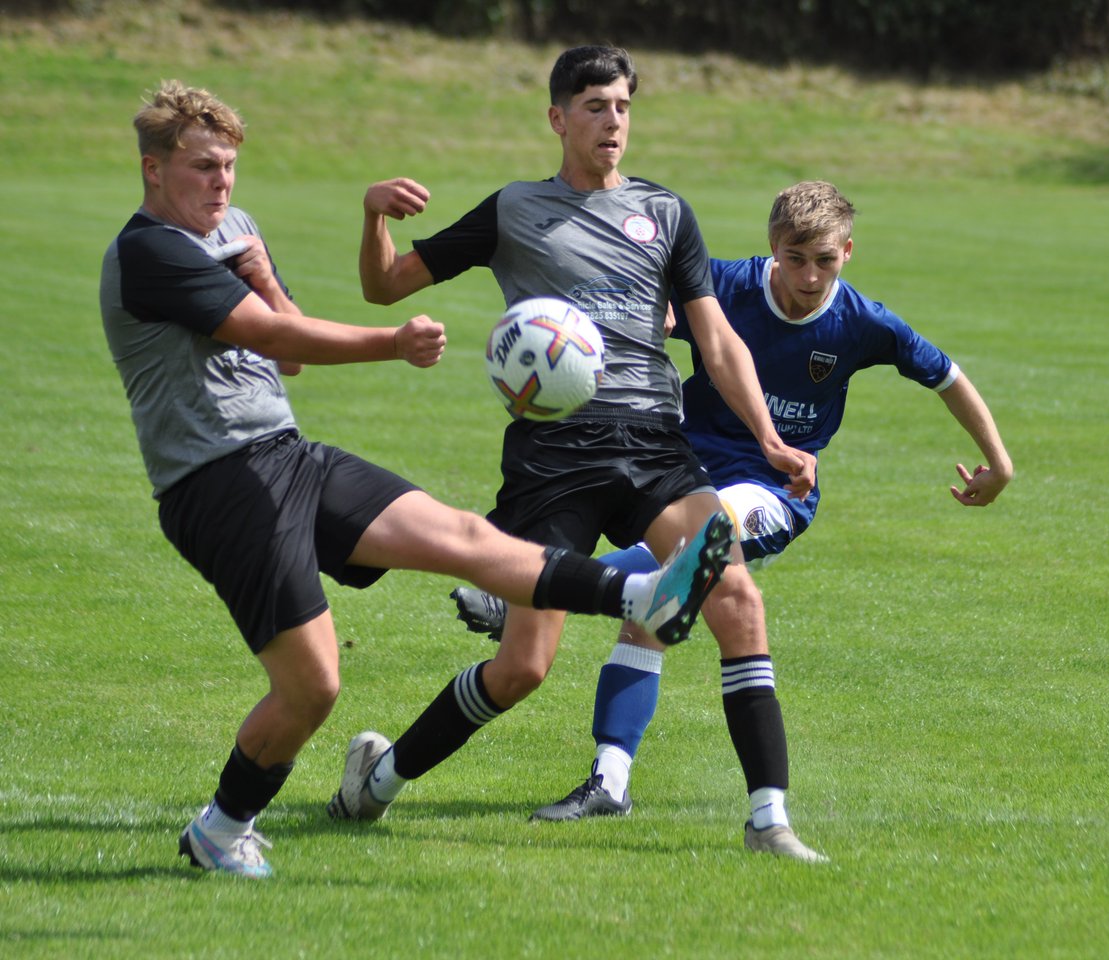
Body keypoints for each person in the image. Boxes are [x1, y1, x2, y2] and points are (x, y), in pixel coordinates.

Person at [99, 79, 733, 879]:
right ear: (155, 171)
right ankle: (221, 828)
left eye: (228, 167)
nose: (221, 183)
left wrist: (258, 262)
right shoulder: (148, 251)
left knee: (468, 535)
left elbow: (282, 356)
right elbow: (271, 332)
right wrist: (391, 341)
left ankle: (642, 597)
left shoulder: (234, 228)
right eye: (201, 168)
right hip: (215, 486)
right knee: (313, 688)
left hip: (289, 454)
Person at [336, 45, 827, 861]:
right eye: (596, 106)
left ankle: (768, 819)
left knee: (734, 596)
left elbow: (714, 336)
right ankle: (377, 780)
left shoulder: (666, 213)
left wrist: (769, 439)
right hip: (552, 456)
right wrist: (373, 217)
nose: (613, 122)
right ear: (559, 117)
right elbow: (385, 287)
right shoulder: (514, 210)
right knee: (524, 666)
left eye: (624, 107)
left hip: (651, 445)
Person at [453, 179, 1014, 826]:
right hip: (681, 468)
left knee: (689, 554)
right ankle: (609, 781)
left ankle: (516, 588)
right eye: (794, 258)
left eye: (824, 260)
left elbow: (946, 375)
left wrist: (999, 464)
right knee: (654, 615)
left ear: (848, 252)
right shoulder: (723, 285)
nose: (808, 276)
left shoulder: (862, 322)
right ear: (771, 247)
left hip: (775, 491)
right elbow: (648, 301)